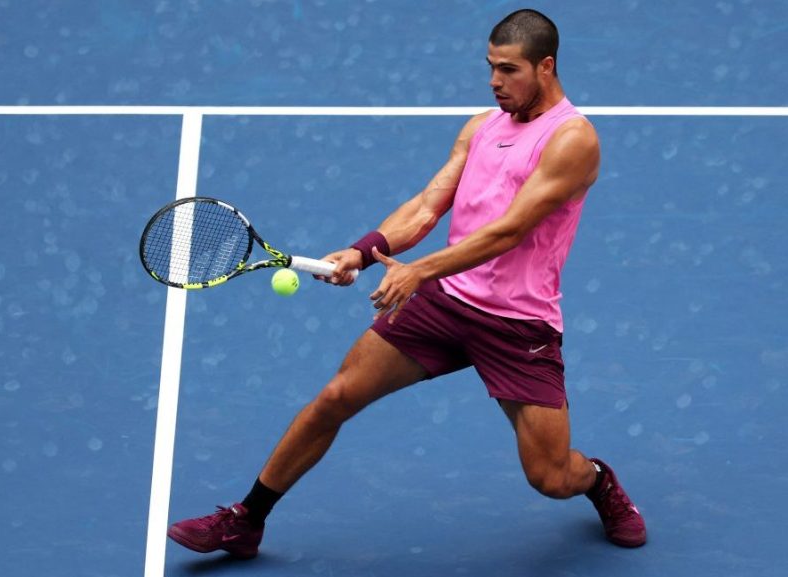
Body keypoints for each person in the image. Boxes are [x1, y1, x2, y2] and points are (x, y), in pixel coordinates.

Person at [167, 8, 647, 558]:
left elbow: (509, 231)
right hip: (446, 301)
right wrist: (363, 251)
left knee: (550, 476)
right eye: (490, 67)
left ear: (546, 66)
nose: (494, 81)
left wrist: (419, 271)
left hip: (517, 322)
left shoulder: (572, 140)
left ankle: (598, 480)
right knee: (337, 396)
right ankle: (246, 520)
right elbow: (425, 207)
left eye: (509, 70)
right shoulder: (481, 127)